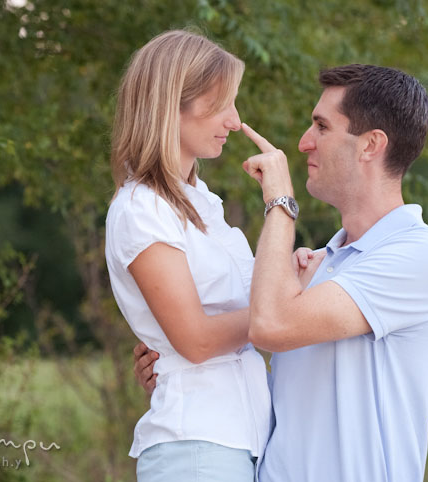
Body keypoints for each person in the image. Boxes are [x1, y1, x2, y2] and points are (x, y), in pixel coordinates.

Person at [136, 64, 428, 481]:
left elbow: (270, 325)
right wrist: (185, 373)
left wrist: (280, 203)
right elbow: (284, 397)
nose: (304, 143)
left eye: (322, 127)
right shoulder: (318, 268)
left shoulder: (421, 255)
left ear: (370, 145)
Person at [105, 30, 273, 481]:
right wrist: (279, 310)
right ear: (172, 105)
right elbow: (196, 341)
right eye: (223, 104)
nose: (235, 121)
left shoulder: (203, 204)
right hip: (196, 449)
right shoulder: (141, 209)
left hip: (241, 441)